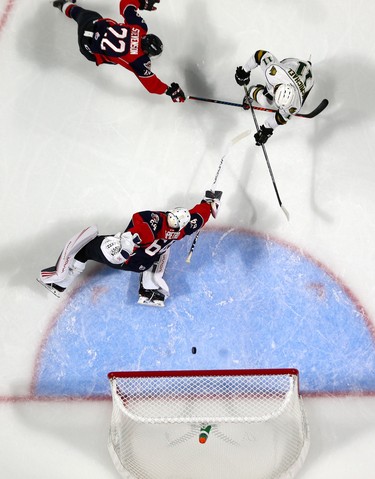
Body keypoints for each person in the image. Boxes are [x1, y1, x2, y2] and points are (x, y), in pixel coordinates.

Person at [38, 191, 222, 307]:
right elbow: (200, 215)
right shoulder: (186, 226)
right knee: (163, 250)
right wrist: (209, 204)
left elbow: (138, 230)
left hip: (125, 258)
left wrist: (126, 243)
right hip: (144, 263)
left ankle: (60, 279)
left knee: (86, 245)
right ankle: (150, 286)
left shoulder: (154, 224)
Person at [52, 0, 186, 103]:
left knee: (79, 13)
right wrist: (169, 91)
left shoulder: (140, 28)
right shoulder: (140, 60)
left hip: (92, 25)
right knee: (118, 60)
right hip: (89, 51)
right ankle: (63, 6)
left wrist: (141, 2)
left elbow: (126, 3)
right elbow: (151, 84)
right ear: (146, 51)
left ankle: (62, 4)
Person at [235, 50, 314, 145]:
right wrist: (244, 71)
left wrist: (266, 130)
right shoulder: (273, 72)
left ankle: (255, 92)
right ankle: (252, 91)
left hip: (309, 82)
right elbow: (260, 55)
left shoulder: (295, 105)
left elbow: (281, 117)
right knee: (266, 102)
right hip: (289, 64)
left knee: (279, 108)